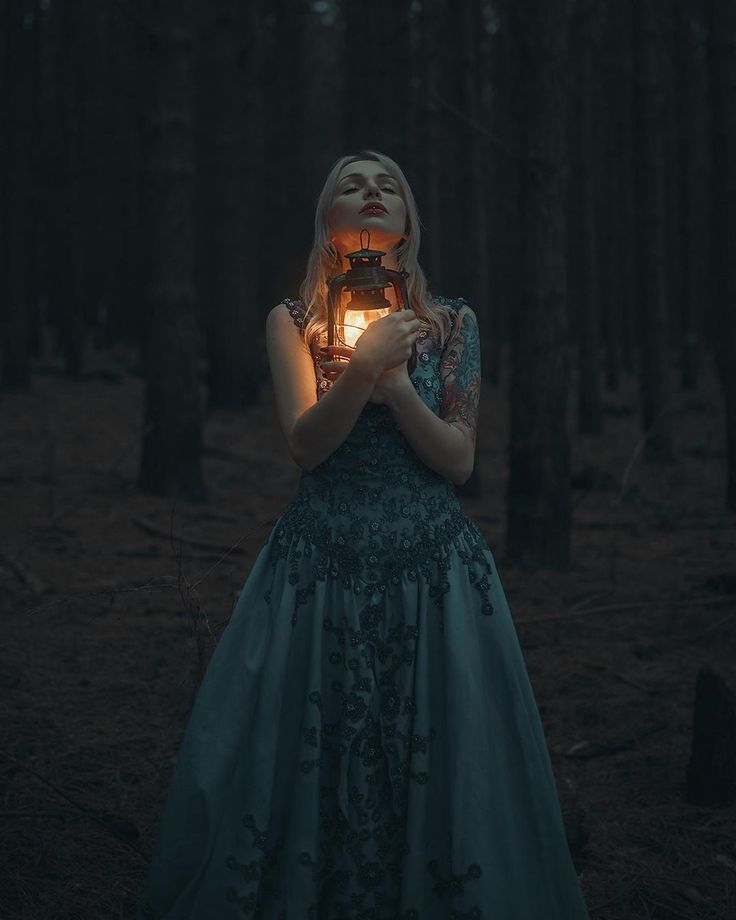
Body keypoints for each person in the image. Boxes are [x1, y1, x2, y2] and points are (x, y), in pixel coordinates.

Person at [136, 150, 591, 918]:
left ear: (408, 224)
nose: (372, 193)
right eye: (353, 184)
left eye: (388, 187)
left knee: (443, 767)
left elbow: (458, 459)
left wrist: (394, 388)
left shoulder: (452, 324)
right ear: (329, 223)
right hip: (319, 573)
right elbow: (306, 445)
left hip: (433, 578)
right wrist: (361, 369)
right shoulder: (294, 321)